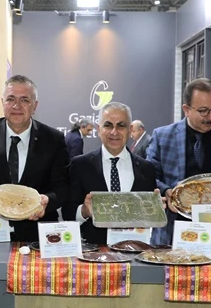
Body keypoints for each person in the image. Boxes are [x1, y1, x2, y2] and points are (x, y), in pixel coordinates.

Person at [0, 75, 70, 241]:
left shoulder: (54, 139)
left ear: (35, 106)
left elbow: (62, 186)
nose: (16, 106)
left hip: (37, 235)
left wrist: (47, 201)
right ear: (2, 102)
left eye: (24, 100)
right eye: (10, 99)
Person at [146, 78, 211, 246]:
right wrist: (166, 191)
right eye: (203, 111)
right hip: (172, 234)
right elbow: (150, 177)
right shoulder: (162, 137)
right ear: (186, 109)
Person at [62, 103, 157, 244]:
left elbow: (150, 218)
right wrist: (84, 211)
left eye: (121, 126)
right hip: (93, 252)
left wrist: (156, 209)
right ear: (99, 129)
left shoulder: (147, 169)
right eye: (108, 125)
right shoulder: (80, 165)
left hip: (135, 251)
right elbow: (67, 213)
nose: (114, 132)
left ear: (130, 129)